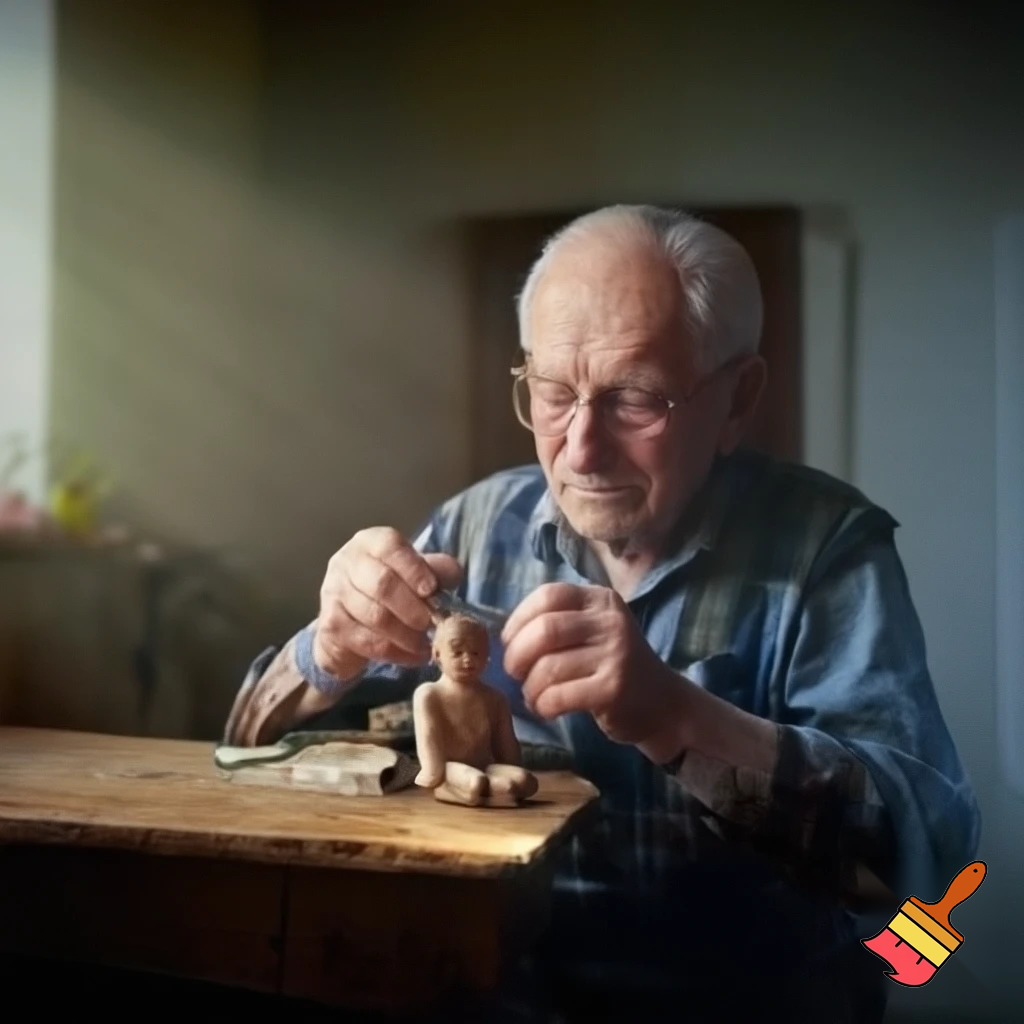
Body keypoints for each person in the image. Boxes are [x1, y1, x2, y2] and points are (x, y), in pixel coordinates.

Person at [223, 204, 979, 1012]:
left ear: (736, 400)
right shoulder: (474, 527)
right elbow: (240, 756)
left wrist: (671, 716)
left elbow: (924, 866)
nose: (579, 449)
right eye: (553, 392)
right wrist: (326, 651)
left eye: (636, 398)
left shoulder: (826, 552)